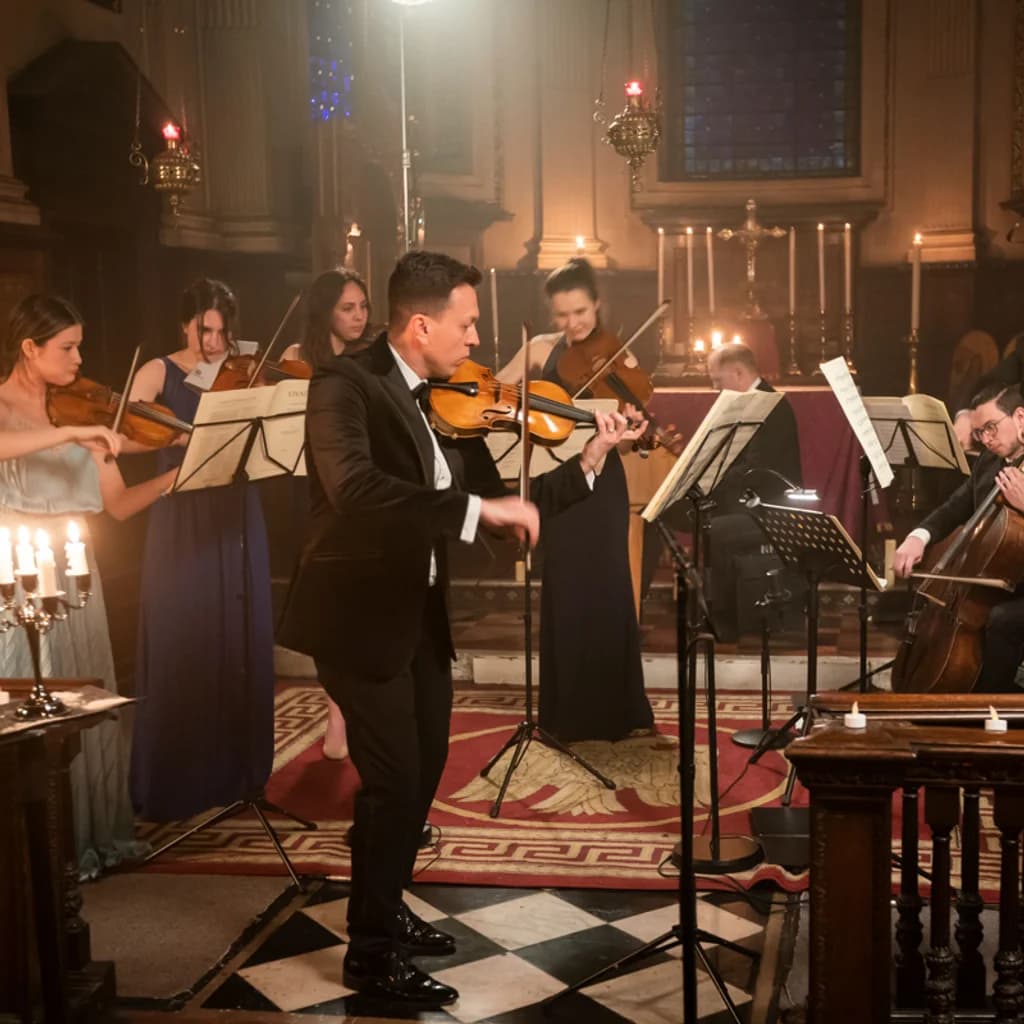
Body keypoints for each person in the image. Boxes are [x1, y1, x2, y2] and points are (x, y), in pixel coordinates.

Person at [277, 250, 642, 1008]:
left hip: (420, 617)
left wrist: (595, 453)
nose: (477, 340)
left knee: (419, 779)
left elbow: (509, 506)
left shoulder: (447, 397)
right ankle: (370, 958)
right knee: (391, 783)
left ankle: (389, 909)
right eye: (468, 324)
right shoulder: (345, 385)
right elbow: (355, 488)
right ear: (421, 325)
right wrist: (480, 513)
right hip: (358, 618)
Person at [0, 294, 179, 877]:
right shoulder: (7, 408)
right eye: (67, 348)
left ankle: (88, 837)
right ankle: (34, 853)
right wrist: (70, 432)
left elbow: (121, 506)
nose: (80, 359)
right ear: (29, 349)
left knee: (85, 703)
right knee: (35, 704)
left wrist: (182, 471)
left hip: (78, 573)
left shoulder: (84, 413)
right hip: (19, 574)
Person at [128, 278, 277, 822]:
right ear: (184, 325)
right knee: (184, 637)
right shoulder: (158, 370)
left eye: (222, 331)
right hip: (182, 512)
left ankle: (238, 775)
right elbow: (123, 434)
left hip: (236, 508)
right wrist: (178, 436)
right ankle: (176, 782)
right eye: (203, 329)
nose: (214, 342)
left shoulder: (241, 368)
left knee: (237, 640)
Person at [495, 256, 656, 742]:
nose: (572, 324)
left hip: (601, 485)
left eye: (581, 312)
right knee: (565, 592)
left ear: (597, 305)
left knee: (609, 592)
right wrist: (522, 411)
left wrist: (630, 433)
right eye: (562, 315)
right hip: (556, 484)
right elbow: (496, 397)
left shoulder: (618, 356)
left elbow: (631, 429)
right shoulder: (540, 351)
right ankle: (566, 714)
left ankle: (618, 712)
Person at [285, 269, 372, 761]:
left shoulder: (371, 360)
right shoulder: (298, 361)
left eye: (362, 306)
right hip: (317, 496)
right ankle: (338, 711)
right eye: (347, 308)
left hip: (356, 493)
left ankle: (347, 717)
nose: (359, 316)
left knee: (356, 616)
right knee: (332, 619)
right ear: (325, 313)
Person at [894, 383, 1024, 692]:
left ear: (1020, 417)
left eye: (991, 428)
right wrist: (918, 536)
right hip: (996, 580)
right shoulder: (989, 462)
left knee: (1002, 619)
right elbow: (954, 508)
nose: (986, 439)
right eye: (980, 433)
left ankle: (995, 706)